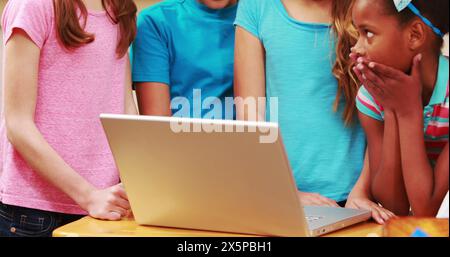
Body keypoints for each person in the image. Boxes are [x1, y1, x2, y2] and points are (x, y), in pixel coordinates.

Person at [234, 0, 395, 224]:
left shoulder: (365, 6)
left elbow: (382, 115)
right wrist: (284, 193)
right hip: (278, 199)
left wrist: (361, 192)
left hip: (352, 201)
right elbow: (249, 121)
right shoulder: (256, 6)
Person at [0, 0, 138, 237]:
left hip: (105, 205)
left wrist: (139, 185)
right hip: (34, 213)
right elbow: (18, 125)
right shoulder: (32, 5)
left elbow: (125, 109)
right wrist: (88, 195)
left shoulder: (121, 9)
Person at [352, 0, 449, 216]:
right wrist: (391, 109)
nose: (356, 49)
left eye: (367, 33)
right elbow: (393, 205)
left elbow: (426, 210)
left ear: (414, 35)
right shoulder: (371, 96)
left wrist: (407, 113)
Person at [132, 0, 238, 119]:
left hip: (249, 135)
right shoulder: (154, 22)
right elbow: (157, 127)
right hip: (177, 135)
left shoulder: (257, 17)